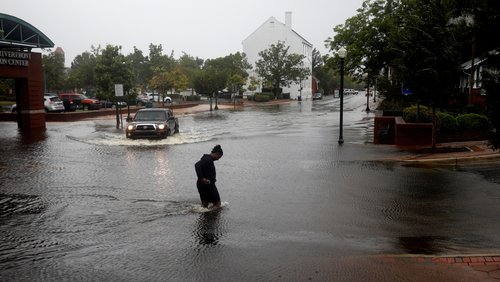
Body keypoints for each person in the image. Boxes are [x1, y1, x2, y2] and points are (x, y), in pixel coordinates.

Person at [195, 145, 223, 209]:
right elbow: (197, 165)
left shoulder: (207, 158)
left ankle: (205, 217)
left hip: (201, 185)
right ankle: (212, 217)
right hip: (208, 186)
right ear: (217, 154)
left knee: (205, 205)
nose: (218, 159)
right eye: (219, 157)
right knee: (217, 204)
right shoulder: (208, 159)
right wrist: (202, 178)